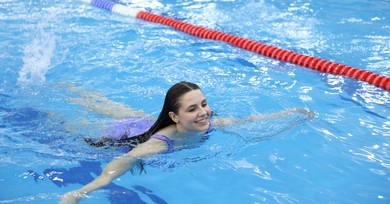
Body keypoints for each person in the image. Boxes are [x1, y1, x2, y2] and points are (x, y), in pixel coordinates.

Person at [60, 81, 313, 203]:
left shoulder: (209, 123)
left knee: (114, 108)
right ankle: (66, 97)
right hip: (125, 134)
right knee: (72, 129)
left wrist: (293, 113)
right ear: (175, 116)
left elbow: (251, 119)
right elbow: (124, 160)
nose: (203, 112)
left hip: (145, 122)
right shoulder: (160, 144)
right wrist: (78, 193)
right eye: (192, 109)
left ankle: (78, 93)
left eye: (204, 104)